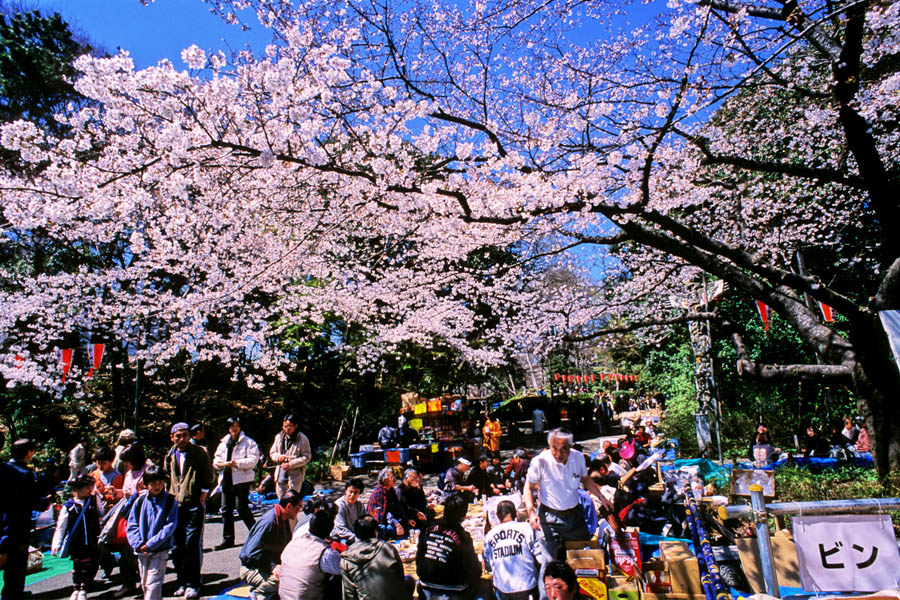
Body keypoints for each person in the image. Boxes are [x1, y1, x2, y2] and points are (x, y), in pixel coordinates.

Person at [523, 429, 616, 563]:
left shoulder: (578, 458)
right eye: (555, 448)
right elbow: (528, 487)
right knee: (549, 564)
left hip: (574, 516)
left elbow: (586, 479)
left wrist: (601, 498)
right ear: (549, 445)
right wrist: (531, 512)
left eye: (564, 449)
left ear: (571, 446)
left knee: (584, 560)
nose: (559, 453)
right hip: (549, 518)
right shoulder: (540, 461)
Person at [165, 422, 215, 599]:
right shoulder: (170, 455)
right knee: (177, 546)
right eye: (177, 436)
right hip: (175, 506)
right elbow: (167, 478)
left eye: (184, 435)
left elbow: (209, 476)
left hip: (194, 503)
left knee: (191, 544)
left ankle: (193, 583)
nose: (181, 439)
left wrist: (202, 497)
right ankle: (182, 581)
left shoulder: (199, 452)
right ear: (172, 438)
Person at [126, 465, 179, 600]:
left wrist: (151, 544)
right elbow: (132, 524)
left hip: (160, 549)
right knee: (145, 584)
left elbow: (170, 526)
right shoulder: (140, 501)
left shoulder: (170, 501)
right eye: (153, 483)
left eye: (160, 482)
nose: (157, 486)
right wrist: (137, 543)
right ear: (145, 484)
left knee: (153, 584)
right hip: (141, 550)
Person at [240, 489, 303, 600]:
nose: (299, 511)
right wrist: (272, 566)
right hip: (252, 567)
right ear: (288, 507)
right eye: (297, 508)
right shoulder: (268, 523)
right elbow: (252, 553)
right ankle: (258, 594)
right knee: (280, 581)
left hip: (268, 562)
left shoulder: (283, 518)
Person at [416, 493, 482, 600]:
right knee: (485, 586)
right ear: (463, 516)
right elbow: (473, 569)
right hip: (453, 591)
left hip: (425, 585)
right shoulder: (462, 536)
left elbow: (419, 557)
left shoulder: (428, 527)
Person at [52, 474, 103, 600]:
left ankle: (83, 589)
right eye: (86, 487)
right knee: (77, 566)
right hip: (76, 542)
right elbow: (61, 527)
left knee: (87, 565)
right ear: (77, 489)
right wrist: (56, 543)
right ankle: (76, 588)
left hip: (91, 540)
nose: (89, 490)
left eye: (90, 487)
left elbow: (101, 515)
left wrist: (102, 534)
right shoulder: (68, 507)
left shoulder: (93, 500)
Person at [213, 416, 260, 549]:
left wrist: (237, 463)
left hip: (241, 480)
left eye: (236, 426)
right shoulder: (223, 443)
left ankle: (257, 533)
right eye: (232, 426)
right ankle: (228, 539)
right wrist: (222, 464)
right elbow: (216, 461)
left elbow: (253, 460)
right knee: (226, 509)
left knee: (242, 508)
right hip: (226, 478)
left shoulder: (249, 442)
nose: (234, 428)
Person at [4, 438, 42, 600]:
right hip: (18, 524)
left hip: (5, 522)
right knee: (17, 562)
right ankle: (13, 594)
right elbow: (32, 501)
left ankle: (10, 593)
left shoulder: (4, 469)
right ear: (29, 453)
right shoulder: (24, 474)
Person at [340, 515, 412, 600]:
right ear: (376, 531)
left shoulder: (346, 558)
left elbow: (349, 594)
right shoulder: (388, 547)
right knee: (410, 580)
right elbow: (400, 577)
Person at [279, 508, 342, 600]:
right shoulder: (325, 553)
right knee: (339, 577)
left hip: (284, 596)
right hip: (306, 597)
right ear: (329, 530)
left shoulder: (294, 542)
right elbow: (344, 568)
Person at [483, 501, 541, 600]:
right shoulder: (526, 528)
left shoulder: (489, 535)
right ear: (516, 513)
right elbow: (540, 557)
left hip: (503, 589)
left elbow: (487, 566)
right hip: (527, 586)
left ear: (497, 515)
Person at [269, 414, 312, 499]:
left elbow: (306, 457)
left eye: (289, 427)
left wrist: (291, 464)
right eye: (284, 426)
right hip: (280, 475)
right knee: (281, 501)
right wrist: (278, 457)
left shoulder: (303, 439)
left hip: (295, 477)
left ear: (295, 426)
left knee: (292, 502)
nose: (286, 429)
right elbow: (272, 452)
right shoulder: (279, 437)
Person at [366, 467, 411, 539]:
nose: (394, 479)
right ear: (384, 481)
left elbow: (398, 507)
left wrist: (407, 519)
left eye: (393, 476)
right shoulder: (380, 492)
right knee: (388, 529)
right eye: (391, 477)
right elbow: (384, 514)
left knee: (408, 524)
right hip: (379, 522)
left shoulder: (391, 490)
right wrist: (397, 524)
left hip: (389, 519)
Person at [332, 479, 367, 545]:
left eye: (356, 492)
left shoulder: (360, 506)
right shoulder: (339, 505)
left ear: (359, 494)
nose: (352, 495)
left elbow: (362, 524)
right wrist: (358, 540)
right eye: (350, 491)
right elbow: (341, 530)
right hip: (341, 537)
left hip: (355, 537)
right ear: (345, 491)